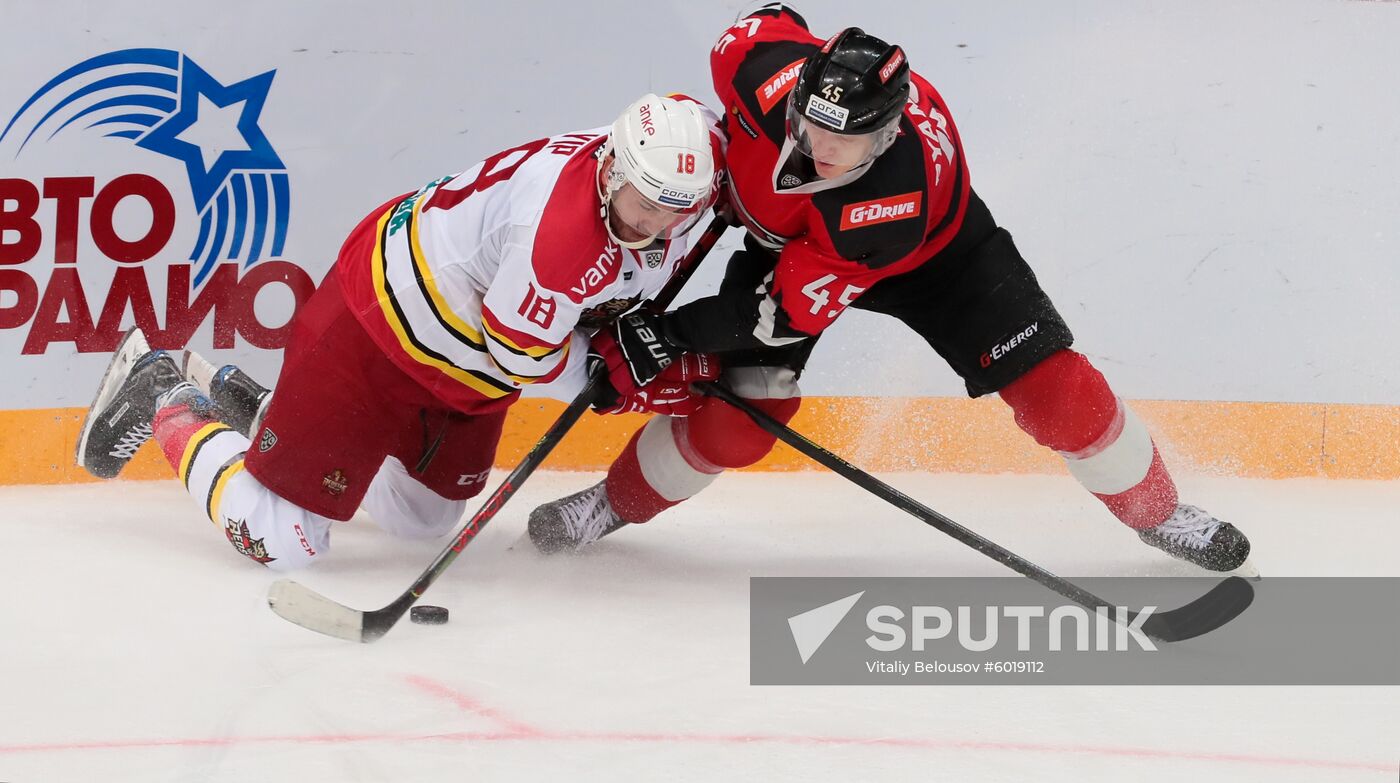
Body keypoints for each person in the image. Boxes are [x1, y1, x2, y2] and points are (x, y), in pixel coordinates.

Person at [526, 4, 1252, 573]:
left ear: (886, 137)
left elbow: (769, 316)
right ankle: (610, 504)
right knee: (746, 416)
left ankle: (1160, 513)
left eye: (844, 144)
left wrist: (674, 334)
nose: (817, 148)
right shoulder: (760, 68)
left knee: (1061, 395)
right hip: (792, 240)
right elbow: (772, 21)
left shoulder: (882, 208)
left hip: (937, 262)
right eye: (810, 124)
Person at [75, 93, 723, 570]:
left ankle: (249, 406)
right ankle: (164, 390)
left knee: (419, 517)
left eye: (677, 209)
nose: (656, 224)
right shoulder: (559, 243)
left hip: (462, 360)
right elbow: (524, 357)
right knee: (280, 538)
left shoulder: (674, 169)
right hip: (380, 326)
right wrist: (619, 379)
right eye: (645, 201)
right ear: (611, 167)